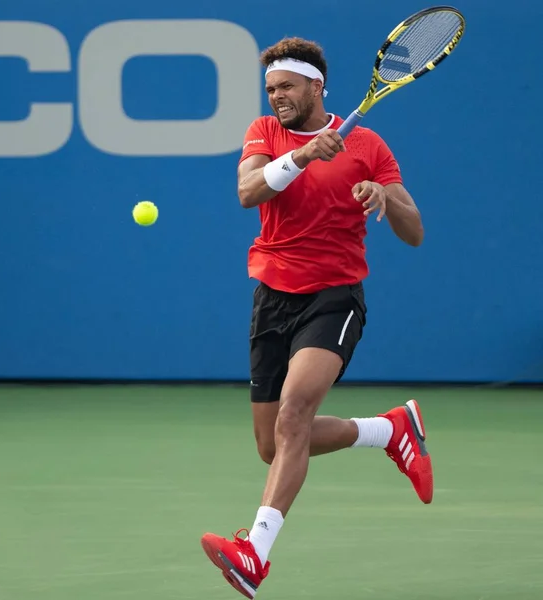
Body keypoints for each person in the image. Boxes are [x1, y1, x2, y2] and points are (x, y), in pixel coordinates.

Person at [200, 37, 433, 599]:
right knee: (272, 444)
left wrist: (384, 193)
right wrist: (303, 154)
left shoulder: (368, 144)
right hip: (273, 297)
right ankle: (390, 430)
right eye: (271, 88)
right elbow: (248, 191)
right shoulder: (266, 133)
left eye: (286, 87)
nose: (277, 96)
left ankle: (254, 553)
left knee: (295, 412)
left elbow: (414, 231)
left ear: (315, 86)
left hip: (334, 298)